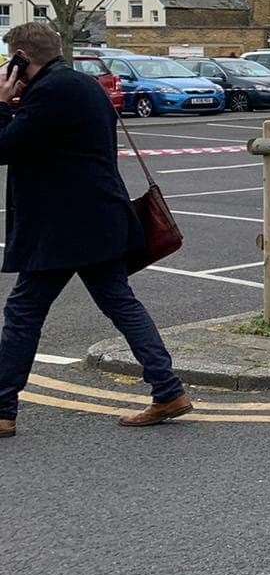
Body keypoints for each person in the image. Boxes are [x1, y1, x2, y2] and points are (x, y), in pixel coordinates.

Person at [0, 23, 191, 438]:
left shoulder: (50, 93)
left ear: (20, 58)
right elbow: (48, 139)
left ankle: (3, 409)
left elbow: (5, 147)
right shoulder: (78, 85)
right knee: (120, 303)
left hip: (63, 229)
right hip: (98, 221)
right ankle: (168, 390)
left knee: (23, 311)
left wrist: (0, 103)